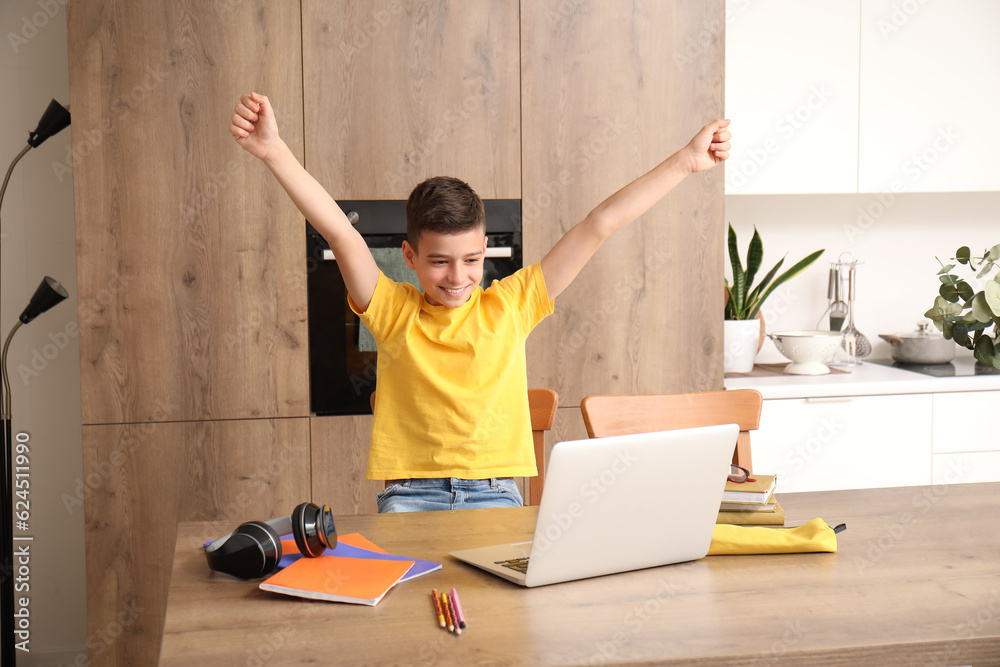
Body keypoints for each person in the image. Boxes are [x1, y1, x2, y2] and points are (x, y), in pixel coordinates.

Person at [230, 91, 731, 513]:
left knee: (500, 624)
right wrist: (274, 151)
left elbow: (598, 224)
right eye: (439, 262)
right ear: (408, 255)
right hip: (410, 497)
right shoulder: (392, 310)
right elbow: (339, 231)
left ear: (486, 251)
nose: (457, 277)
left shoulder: (511, 305)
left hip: (497, 494)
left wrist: (685, 163)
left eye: (471, 260)